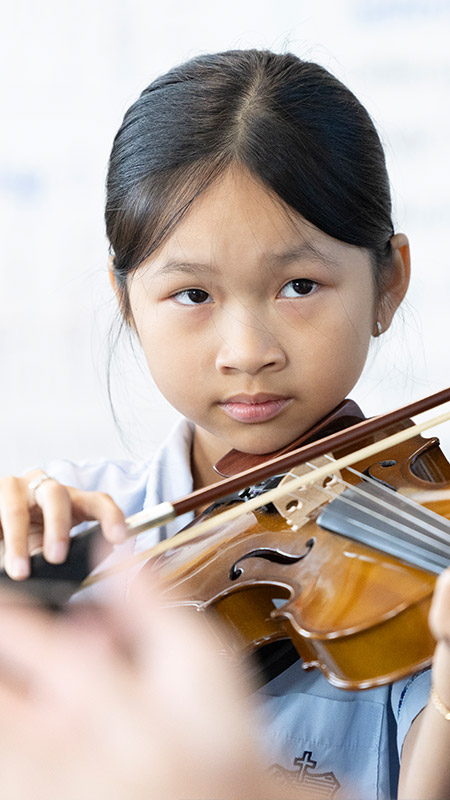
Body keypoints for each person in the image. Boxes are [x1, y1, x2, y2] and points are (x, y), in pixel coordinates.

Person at [0, 49, 449, 799]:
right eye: (193, 295)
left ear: (388, 282)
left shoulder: (413, 574)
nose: (248, 354)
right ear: (126, 302)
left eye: (299, 285)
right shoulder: (75, 531)